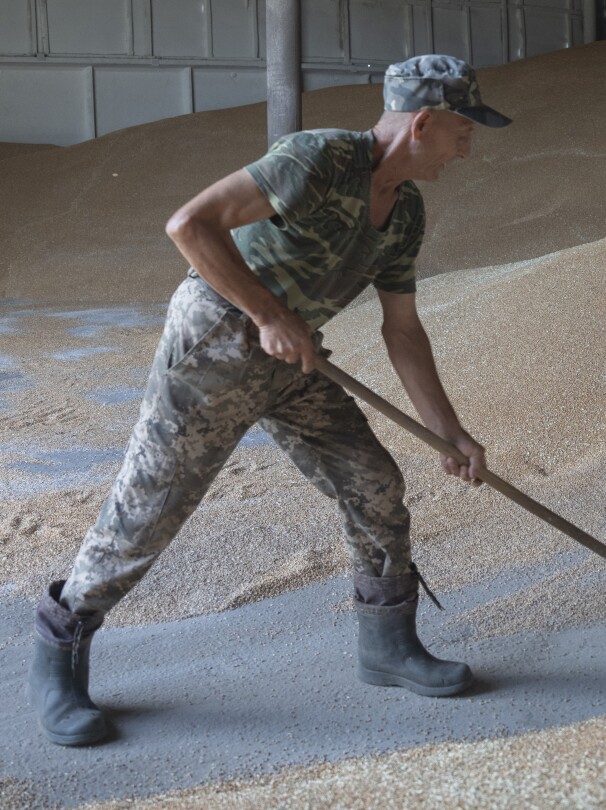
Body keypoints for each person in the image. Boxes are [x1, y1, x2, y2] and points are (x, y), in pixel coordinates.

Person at [28, 54, 510, 746]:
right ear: (424, 122)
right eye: (464, 130)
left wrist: (449, 433)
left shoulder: (404, 214)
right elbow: (190, 225)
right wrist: (266, 313)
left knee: (374, 485)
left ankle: (388, 647)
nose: (468, 147)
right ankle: (57, 657)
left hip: (294, 360)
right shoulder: (318, 159)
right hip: (215, 346)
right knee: (146, 514)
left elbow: (402, 329)